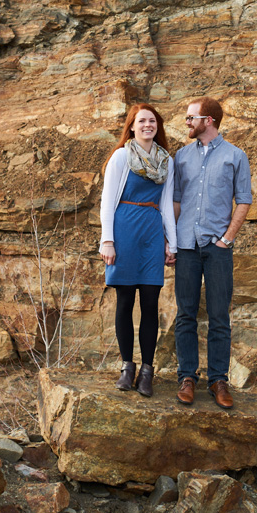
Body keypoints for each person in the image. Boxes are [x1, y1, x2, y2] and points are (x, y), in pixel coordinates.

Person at [173, 96, 252, 410]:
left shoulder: (236, 156)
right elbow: (176, 201)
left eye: (191, 118)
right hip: (186, 247)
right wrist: (172, 239)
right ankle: (187, 377)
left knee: (219, 317)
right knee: (185, 315)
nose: (187, 123)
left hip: (218, 249)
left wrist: (227, 239)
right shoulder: (180, 157)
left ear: (209, 120)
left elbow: (243, 201)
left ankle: (219, 380)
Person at [99, 103, 177, 397]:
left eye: (152, 120)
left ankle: (147, 371)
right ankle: (127, 367)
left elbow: (167, 204)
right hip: (124, 230)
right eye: (142, 121)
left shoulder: (166, 160)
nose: (148, 125)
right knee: (124, 301)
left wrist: (173, 243)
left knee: (149, 303)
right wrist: (108, 240)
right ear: (131, 126)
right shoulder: (121, 156)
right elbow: (108, 202)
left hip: (152, 232)